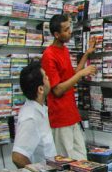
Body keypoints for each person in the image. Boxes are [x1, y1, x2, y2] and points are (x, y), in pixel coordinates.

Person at [41, 14, 96, 160]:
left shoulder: (64, 50)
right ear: (56, 34)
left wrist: (86, 54)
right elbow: (57, 90)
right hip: (60, 117)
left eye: (69, 28)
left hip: (72, 114)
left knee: (82, 159)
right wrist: (82, 74)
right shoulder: (49, 55)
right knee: (67, 162)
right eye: (66, 30)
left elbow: (72, 76)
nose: (70, 31)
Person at [11, 61, 57, 168]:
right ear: (40, 89)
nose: (48, 78)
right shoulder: (30, 117)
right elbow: (18, 157)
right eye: (45, 77)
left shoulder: (40, 110)